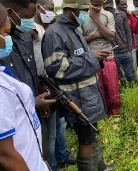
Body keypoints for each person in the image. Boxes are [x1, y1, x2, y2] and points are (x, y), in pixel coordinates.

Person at [41, 0, 113, 170]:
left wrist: (97, 58)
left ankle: (100, 167)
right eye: (84, 11)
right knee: (86, 140)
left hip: (88, 94)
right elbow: (56, 68)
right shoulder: (54, 33)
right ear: (72, 10)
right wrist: (91, 57)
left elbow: (82, 58)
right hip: (76, 98)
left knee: (92, 134)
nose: (86, 15)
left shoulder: (74, 29)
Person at [0, 3, 54, 170]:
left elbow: (30, 72)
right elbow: (6, 155)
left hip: (30, 115)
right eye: (27, 17)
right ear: (10, 13)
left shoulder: (24, 38)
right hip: (14, 133)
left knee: (42, 150)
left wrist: (36, 93)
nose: (31, 22)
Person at [33, 0, 76, 170]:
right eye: (49, 9)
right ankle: (52, 165)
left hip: (55, 84)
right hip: (42, 85)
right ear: (38, 7)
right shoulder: (31, 30)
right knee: (50, 131)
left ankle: (62, 155)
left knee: (61, 124)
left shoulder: (48, 27)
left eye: (52, 9)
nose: (51, 12)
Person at [82, 0, 121, 116]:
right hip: (91, 59)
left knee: (112, 89)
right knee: (99, 89)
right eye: (94, 5)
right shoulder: (83, 17)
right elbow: (80, 39)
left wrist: (97, 20)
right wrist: (95, 35)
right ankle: (102, 115)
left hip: (108, 57)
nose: (97, 7)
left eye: (99, 5)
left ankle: (115, 115)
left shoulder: (108, 15)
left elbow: (111, 36)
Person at [114, 0, 136, 88]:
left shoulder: (122, 15)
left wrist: (129, 48)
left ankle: (133, 91)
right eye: (122, 4)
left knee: (130, 74)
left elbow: (128, 32)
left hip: (125, 50)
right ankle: (123, 90)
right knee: (119, 75)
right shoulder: (108, 15)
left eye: (125, 4)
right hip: (114, 52)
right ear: (116, 4)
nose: (124, 6)